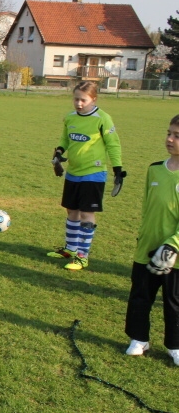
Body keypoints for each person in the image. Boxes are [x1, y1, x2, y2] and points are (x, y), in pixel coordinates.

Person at [47, 80, 124, 271]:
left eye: (83, 100)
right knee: (71, 211)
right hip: (73, 173)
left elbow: (113, 144)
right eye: (76, 99)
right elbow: (65, 138)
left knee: (86, 213)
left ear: (94, 99)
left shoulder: (102, 118)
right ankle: (70, 249)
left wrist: (118, 169)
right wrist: (59, 153)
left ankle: (82, 256)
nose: (79, 104)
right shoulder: (70, 117)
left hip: (94, 173)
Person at [124, 115, 179, 364]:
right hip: (147, 246)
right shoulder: (154, 169)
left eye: (177, 136)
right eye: (169, 133)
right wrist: (144, 238)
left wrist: (172, 245)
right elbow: (148, 209)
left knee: (174, 301)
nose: (170, 139)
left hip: (174, 253)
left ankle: (175, 345)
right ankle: (139, 338)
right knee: (140, 295)